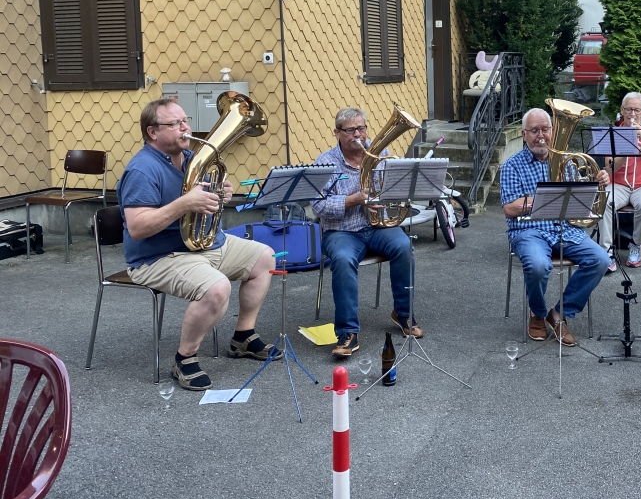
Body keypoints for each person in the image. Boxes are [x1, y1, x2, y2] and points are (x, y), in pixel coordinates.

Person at [118, 98, 276, 391]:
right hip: (159, 256)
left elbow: (205, 203)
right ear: (153, 132)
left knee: (265, 257)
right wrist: (184, 203)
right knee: (217, 288)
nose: (185, 128)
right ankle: (184, 359)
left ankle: (243, 337)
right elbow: (138, 228)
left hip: (204, 246)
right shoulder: (142, 170)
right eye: (175, 124)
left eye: (185, 120)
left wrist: (219, 195)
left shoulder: (192, 158)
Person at [312, 107, 420, 359]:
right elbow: (318, 206)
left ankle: (403, 314)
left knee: (403, 246)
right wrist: (355, 200)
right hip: (341, 231)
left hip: (377, 227)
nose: (358, 135)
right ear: (337, 133)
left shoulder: (379, 152)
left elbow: (395, 187)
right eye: (351, 130)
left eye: (362, 128)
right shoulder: (325, 162)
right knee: (342, 258)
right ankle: (348, 332)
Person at [502, 107, 612, 346]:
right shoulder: (512, 165)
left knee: (601, 260)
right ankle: (538, 313)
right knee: (538, 265)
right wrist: (539, 201)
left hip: (565, 228)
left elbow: (583, 200)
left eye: (545, 129)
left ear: (553, 131)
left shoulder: (567, 162)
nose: (541, 135)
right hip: (528, 230)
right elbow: (509, 208)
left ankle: (559, 314)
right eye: (534, 131)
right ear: (523, 134)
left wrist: (596, 182)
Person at [598, 92, 641, 268]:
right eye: (629, 109)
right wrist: (627, 148)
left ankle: (636, 245)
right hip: (617, 184)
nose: (632, 114)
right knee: (603, 202)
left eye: (636, 110)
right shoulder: (613, 134)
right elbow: (609, 168)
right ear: (622, 110)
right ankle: (606, 251)